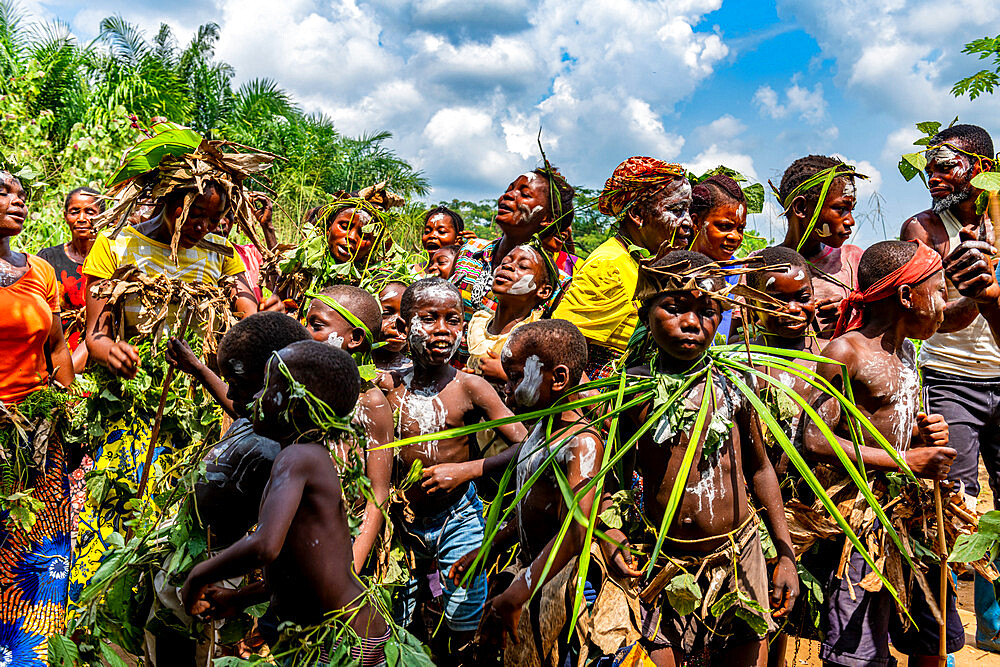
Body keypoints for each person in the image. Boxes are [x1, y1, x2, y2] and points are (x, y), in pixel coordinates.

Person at [601, 250, 798, 667]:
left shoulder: (734, 383)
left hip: (737, 555)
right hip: (660, 560)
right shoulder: (630, 390)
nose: (691, 323)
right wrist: (610, 535)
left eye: (707, 311)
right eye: (673, 309)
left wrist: (785, 554)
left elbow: (759, 468)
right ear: (645, 311)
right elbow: (607, 479)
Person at [73, 177, 258, 600]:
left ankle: (158, 606)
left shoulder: (222, 256)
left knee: (179, 505)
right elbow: (95, 336)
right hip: (130, 393)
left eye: (215, 218)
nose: (205, 226)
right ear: (169, 202)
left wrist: (247, 314)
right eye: (196, 214)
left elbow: (246, 312)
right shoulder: (116, 246)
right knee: (119, 495)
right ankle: (98, 601)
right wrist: (111, 352)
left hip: (193, 398)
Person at [801, 239, 962, 666]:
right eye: (940, 291)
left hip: (911, 512)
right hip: (864, 520)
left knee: (932, 633)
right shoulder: (847, 351)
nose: (944, 305)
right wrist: (903, 461)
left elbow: (892, 426)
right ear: (908, 296)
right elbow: (815, 439)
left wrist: (924, 440)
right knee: (860, 648)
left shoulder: (908, 351)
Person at [181, 341, 391, 665]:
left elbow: (265, 546)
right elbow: (304, 569)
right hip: (336, 633)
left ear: (294, 405)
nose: (255, 397)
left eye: (267, 387)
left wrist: (197, 577)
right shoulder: (303, 455)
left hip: (343, 641)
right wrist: (240, 597)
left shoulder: (297, 458)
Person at [149, 312, 311, 664]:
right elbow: (236, 405)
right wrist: (199, 370)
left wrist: (241, 596)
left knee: (201, 652)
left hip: (220, 572)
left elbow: (291, 557)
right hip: (189, 551)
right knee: (166, 643)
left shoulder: (290, 451)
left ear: (277, 381)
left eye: (238, 382)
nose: (233, 393)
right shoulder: (260, 413)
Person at [382, 278, 528, 660]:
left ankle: (455, 655)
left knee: (464, 611)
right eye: (429, 319)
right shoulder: (387, 387)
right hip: (398, 521)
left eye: (454, 319)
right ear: (402, 326)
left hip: (457, 517)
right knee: (396, 615)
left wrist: (467, 470)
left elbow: (528, 444)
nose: (443, 330)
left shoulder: (471, 387)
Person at [453, 320, 602, 663]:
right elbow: (535, 507)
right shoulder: (541, 433)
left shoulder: (580, 443)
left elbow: (576, 529)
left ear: (559, 378)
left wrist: (517, 593)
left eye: (517, 378)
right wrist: (489, 548)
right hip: (533, 576)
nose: (508, 390)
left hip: (565, 588)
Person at [0, 170, 75, 665]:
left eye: (22, 195)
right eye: (3, 192)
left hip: (34, 433)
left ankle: (27, 652)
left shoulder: (38, 271)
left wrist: (65, 405)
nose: (18, 201)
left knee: (33, 547)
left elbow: (56, 347)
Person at [553, 156, 693, 377]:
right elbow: (557, 345)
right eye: (676, 210)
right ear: (637, 215)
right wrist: (589, 400)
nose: (688, 222)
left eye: (687, 211)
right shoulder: (609, 265)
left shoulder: (642, 262)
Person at [304, 285, 393, 572]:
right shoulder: (294, 385)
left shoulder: (369, 402)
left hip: (341, 539)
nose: (305, 332)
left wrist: (353, 564)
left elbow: (378, 492)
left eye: (316, 325)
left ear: (354, 338)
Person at [450, 168, 574, 324]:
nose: (508, 196)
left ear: (548, 219)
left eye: (525, 194)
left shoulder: (555, 286)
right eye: (508, 190)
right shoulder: (470, 250)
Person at [773, 155, 864, 337]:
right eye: (841, 209)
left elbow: (878, 328)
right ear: (801, 208)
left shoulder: (853, 261)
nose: (851, 221)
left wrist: (850, 313)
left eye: (851, 210)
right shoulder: (761, 264)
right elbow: (737, 338)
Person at [747, 245, 821, 455]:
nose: (793, 309)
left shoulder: (828, 355)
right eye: (777, 301)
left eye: (804, 298)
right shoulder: (744, 359)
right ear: (752, 304)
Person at [463, 243, 555, 388]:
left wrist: (506, 376)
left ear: (543, 291)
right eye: (504, 262)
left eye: (523, 266)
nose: (508, 266)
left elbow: (547, 388)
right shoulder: (478, 323)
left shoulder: (537, 337)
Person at [38, 186, 103, 371]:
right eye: (75, 211)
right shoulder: (48, 258)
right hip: (54, 347)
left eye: (90, 212)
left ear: (103, 217)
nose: (82, 218)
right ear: (65, 216)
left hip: (98, 347)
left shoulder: (109, 259)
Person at [690, 174, 748, 341]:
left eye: (740, 229)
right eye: (724, 227)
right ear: (696, 222)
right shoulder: (672, 269)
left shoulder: (742, 275)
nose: (735, 237)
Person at [374, 280, 410, 377]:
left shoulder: (418, 372)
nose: (396, 324)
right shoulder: (350, 368)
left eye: (405, 315)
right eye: (386, 314)